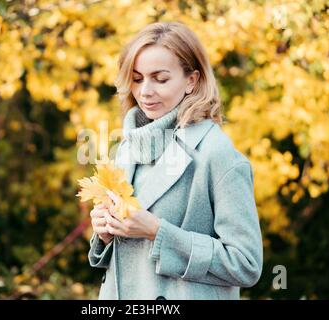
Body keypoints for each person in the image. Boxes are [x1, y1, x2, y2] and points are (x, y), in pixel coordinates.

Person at [88, 21, 263, 300]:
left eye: (160, 79)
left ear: (191, 81)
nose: (145, 91)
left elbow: (246, 264)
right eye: (136, 78)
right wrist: (105, 233)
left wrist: (158, 232)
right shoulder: (127, 147)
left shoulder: (216, 154)